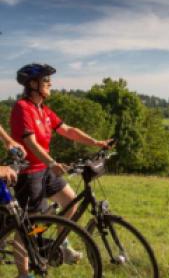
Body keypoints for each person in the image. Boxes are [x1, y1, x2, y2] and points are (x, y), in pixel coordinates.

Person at [10, 63, 111, 278]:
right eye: (46, 81)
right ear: (33, 84)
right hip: (29, 173)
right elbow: (30, 143)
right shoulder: (22, 108)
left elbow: (67, 130)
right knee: (28, 224)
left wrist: (96, 142)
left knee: (70, 203)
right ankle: (24, 273)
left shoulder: (43, 110)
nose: (51, 84)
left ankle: (57, 245)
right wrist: (51, 162)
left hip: (45, 170)